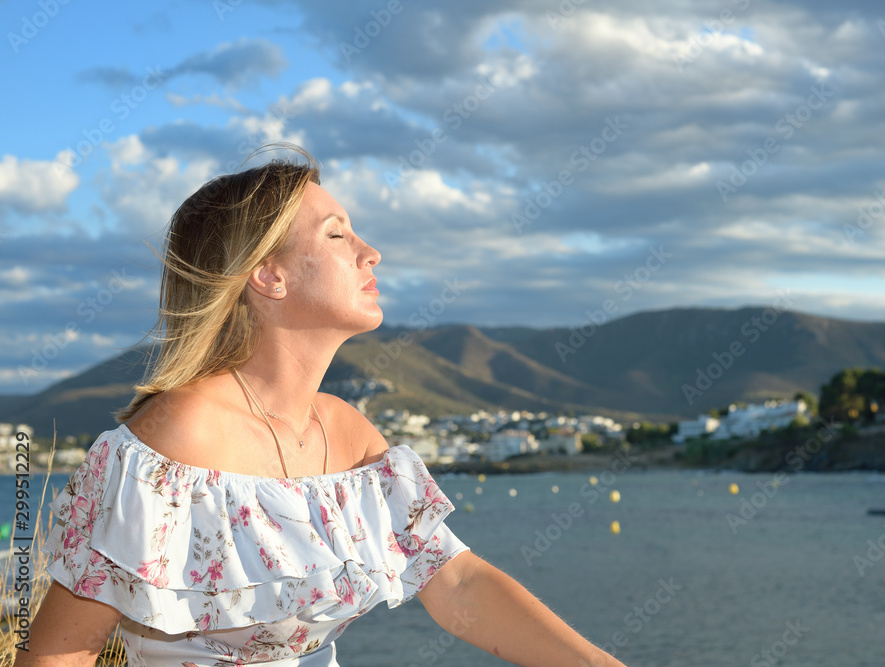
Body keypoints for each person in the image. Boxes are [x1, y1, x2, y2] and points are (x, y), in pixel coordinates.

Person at [19, 145, 628, 666]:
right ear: (268, 276)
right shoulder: (172, 443)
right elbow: (58, 655)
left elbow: (459, 584)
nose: (371, 252)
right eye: (337, 234)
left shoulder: (348, 432)